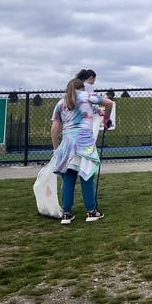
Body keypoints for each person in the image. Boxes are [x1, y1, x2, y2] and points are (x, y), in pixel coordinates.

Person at [51, 78, 116, 223]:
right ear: (82, 89)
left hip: (67, 144)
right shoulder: (87, 97)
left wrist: (56, 149)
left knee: (68, 178)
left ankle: (66, 214)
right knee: (87, 177)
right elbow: (109, 103)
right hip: (85, 143)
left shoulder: (61, 103)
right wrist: (106, 119)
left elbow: (55, 128)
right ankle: (91, 211)